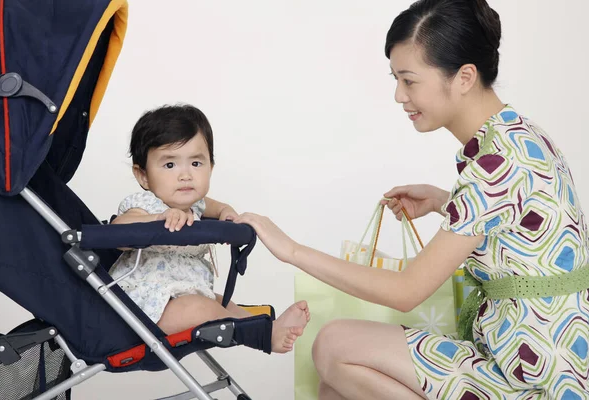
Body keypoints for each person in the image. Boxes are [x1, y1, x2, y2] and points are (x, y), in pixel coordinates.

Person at [234, 0, 589, 398]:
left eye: (410, 80)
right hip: (539, 360)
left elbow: (406, 291)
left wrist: (293, 250)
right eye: (396, 79)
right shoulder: (519, 136)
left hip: (535, 378)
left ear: (465, 77)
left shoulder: (495, 163)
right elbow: (518, 222)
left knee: (334, 345)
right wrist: (443, 201)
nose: (399, 96)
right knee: (335, 385)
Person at [110, 104, 310, 354]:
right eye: (170, 165)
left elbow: (214, 207)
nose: (185, 175)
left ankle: (263, 324)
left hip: (184, 296)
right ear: (143, 176)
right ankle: (261, 335)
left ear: (211, 167)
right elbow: (118, 230)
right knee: (203, 309)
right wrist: (156, 218)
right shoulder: (145, 206)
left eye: (196, 163)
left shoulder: (197, 204)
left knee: (218, 302)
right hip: (143, 310)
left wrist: (227, 212)